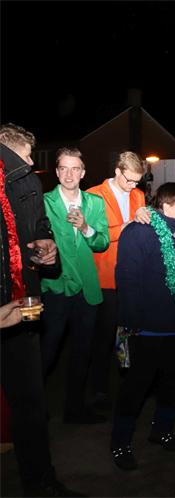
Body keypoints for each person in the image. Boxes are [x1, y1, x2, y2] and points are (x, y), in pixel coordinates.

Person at [1, 123, 82, 496]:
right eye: (26, 155)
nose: (32, 163)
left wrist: (45, 244)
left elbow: (37, 228)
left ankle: (40, 482)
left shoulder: (26, 183)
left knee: (31, 404)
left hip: (23, 310)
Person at [110, 183, 175, 470]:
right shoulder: (140, 231)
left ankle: (163, 431)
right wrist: (130, 325)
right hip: (147, 329)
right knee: (136, 387)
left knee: (171, 383)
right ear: (167, 205)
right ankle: (120, 443)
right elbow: (127, 280)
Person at [40, 148, 110, 425]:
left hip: (86, 290)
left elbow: (102, 242)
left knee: (82, 352)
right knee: (48, 351)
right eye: (64, 168)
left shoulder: (95, 203)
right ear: (57, 172)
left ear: (83, 173)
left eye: (75, 168)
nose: (69, 174)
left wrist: (85, 227)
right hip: (55, 287)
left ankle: (75, 409)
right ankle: (32, 406)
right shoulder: (44, 202)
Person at [87, 151, 148, 409]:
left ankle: (129, 384)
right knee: (103, 337)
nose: (133, 185)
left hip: (132, 275)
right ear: (117, 171)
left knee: (131, 333)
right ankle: (99, 389)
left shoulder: (139, 195)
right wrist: (125, 227)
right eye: (129, 180)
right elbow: (91, 235)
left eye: (137, 181)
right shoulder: (93, 195)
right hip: (105, 277)